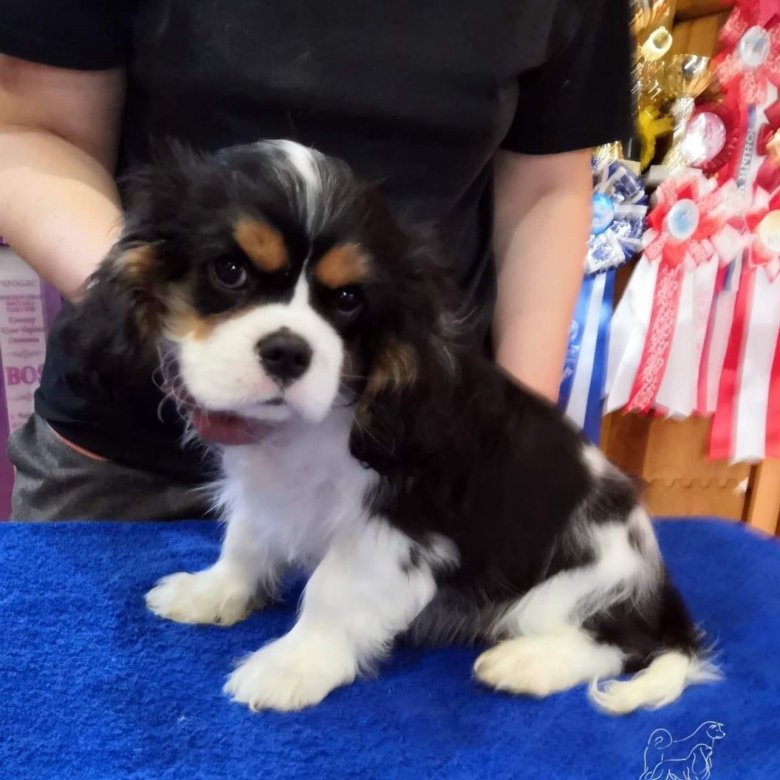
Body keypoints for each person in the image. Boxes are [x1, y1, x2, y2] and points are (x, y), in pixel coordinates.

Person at [0, 0, 632, 521]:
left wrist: (515, 432)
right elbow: (30, 130)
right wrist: (152, 323)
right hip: (128, 458)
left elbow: (547, 186)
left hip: (396, 458)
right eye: (232, 271)